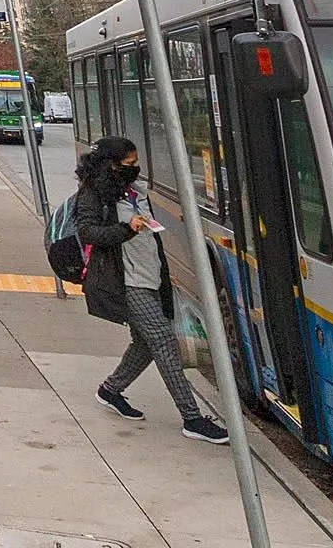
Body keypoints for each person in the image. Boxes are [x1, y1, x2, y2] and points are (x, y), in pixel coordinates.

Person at [72, 136, 229, 444]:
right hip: (126, 281)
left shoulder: (134, 190)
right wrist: (126, 228)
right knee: (163, 340)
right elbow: (88, 232)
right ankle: (192, 418)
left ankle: (110, 390)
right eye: (129, 164)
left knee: (145, 342)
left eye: (136, 163)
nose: (135, 169)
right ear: (111, 165)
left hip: (151, 274)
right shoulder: (92, 194)